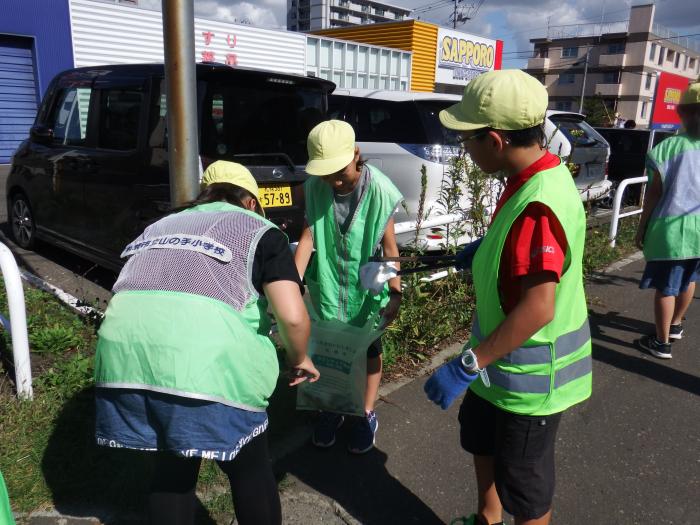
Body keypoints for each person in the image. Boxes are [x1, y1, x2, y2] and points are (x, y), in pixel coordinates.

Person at [94, 161, 319, 525]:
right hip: (208, 366)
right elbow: (293, 316)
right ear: (249, 202)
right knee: (249, 467)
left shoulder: (159, 226)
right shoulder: (259, 230)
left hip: (124, 360)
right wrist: (300, 357)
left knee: (172, 467)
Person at [424, 70, 592, 525]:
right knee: (481, 441)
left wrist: (468, 362)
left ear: (495, 141)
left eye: (467, 139)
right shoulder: (536, 174)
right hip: (499, 369)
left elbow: (539, 306)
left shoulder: (537, 203)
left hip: (529, 382)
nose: (464, 148)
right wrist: (484, 253)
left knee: (526, 488)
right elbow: (523, 256)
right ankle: (486, 519)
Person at [294, 120, 403, 454]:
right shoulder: (315, 188)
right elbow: (308, 238)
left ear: (356, 155)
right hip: (328, 286)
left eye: (339, 172)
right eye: (326, 174)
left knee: (369, 350)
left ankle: (365, 412)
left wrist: (396, 293)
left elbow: (390, 248)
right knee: (326, 351)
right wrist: (292, 285)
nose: (334, 181)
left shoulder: (380, 191)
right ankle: (332, 409)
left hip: (365, 291)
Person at [635, 81, 700, 359]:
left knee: (666, 287)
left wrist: (641, 227)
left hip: (671, 229)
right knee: (689, 278)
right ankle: (675, 326)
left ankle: (661, 343)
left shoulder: (668, 148)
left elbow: (654, 194)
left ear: (682, 112)